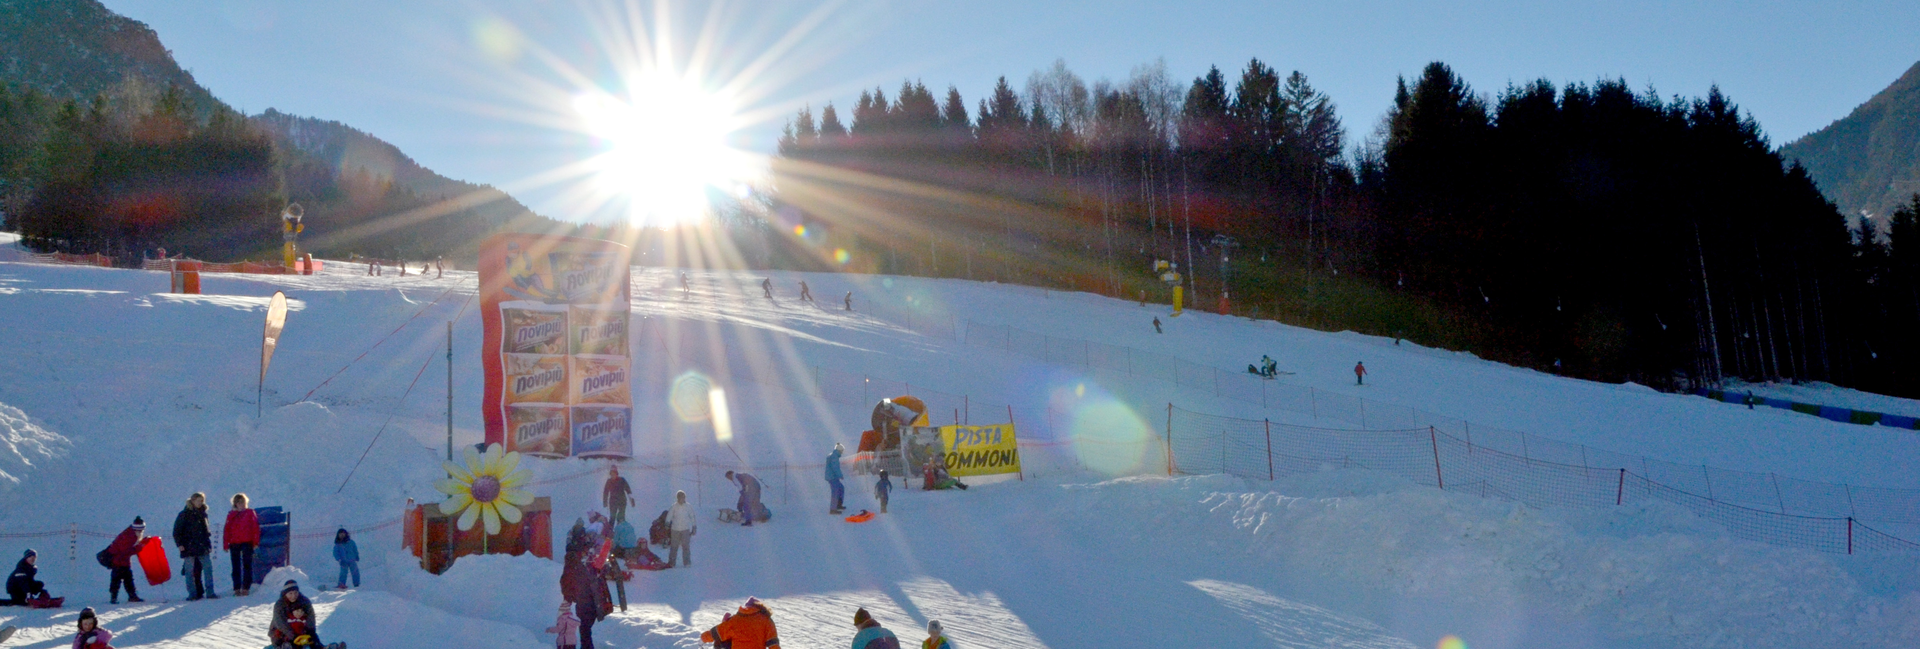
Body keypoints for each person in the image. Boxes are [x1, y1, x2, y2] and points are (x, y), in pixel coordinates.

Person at [172, 492, 217, 601]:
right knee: (189, 572)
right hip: (189, 547)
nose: (200, 503)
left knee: (208, 569)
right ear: (192, 501)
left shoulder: (203, 514)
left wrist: (208, 544)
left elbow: (206, 531)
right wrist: (180, 544)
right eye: (198, 500)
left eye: (202, 501)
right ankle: (192, 593)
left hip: (202, 546)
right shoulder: (184, 514)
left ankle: (210, 592)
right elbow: (177, 531)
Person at [560, 547, 605, 649]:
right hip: (593, 605)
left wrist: (568, 601)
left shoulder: (568, 573)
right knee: (586, 631)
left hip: (583, 606)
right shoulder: (583, 569)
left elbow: (566, 590)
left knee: (584, 631)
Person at [700, 597, 780, 649]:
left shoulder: (735, 620)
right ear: (761, 607)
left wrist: (703, 638)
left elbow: (717, 632)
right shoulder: (766, 620)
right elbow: (773, 644)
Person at [270, 580, 323, 649]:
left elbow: (311, 618)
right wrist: (293, 636)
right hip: (282, 632)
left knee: (313, 640)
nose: (293, 596)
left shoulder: (304, 602)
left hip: (300, 631)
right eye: (290, 593)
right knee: (289, 644)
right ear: (285, 594)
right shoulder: (280, 605)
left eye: (295, 593)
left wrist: (310, 631)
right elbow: (280, 623)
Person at [104, 517, 145, 604]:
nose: (142, 532)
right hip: (118, 560)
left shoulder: (131, 533)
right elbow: (126, 551)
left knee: (126, 579)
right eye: (141, 530)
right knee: (119, 579)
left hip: (122, 560)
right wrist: (139, 548)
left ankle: (128, 596)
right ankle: (118, 597)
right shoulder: (129, 535)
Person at [226, 493, 261, 596]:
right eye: (239, 503)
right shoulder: (231, 514)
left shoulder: (250, 512)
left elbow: (255, 528)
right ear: (235, 504)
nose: (242, 505)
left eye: (243, 502)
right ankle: (236, 587)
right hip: (234, 542)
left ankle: (246, 587)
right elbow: (227, 529)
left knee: (247, 565)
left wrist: (255, 542)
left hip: (247, 542)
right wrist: (226, 543)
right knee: (235, 566)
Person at [666, 491, 695, 568]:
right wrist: (667, 522)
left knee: (685, 546)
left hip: (685, 529)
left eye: (683, 497)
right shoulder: (674, 507)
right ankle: (671, 562)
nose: (681, 499)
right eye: (680, 497)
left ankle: (687, 562)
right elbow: (669, 515)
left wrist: (694, 526)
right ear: (677, 498)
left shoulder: (688, 507)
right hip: (675, 530)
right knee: (674, 546)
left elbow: (692, 516)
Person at [826, 443, 846, 514]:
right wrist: (840, 475)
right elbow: (835, 467)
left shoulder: (833, 455)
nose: (842, 452)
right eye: (842, 451)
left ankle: (838, 505)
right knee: (835, 492)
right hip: (833, 477)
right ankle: (833, 509)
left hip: (833, 477)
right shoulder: (834, 457)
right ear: (839, 450)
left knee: (841, 488)